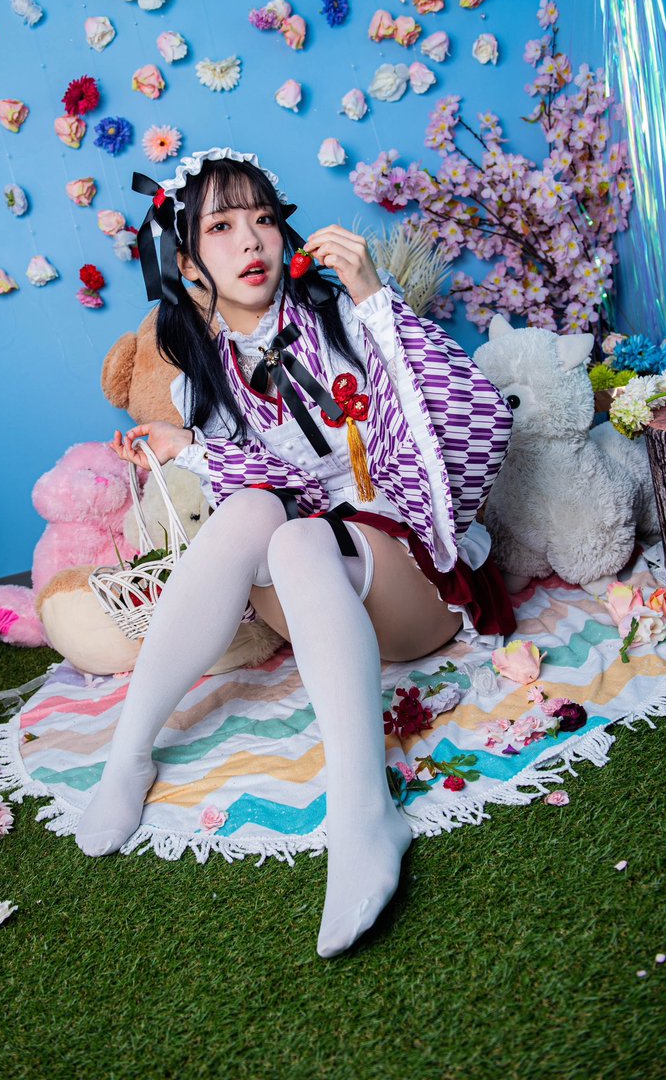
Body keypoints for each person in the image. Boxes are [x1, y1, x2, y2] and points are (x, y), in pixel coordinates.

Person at [75, 147, 515, 959]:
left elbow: (478, 419)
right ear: (187, 261)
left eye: (264, 219)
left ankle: (363, 813)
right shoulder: (206, 377)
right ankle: (128, 756)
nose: (251, 240)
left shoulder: (347, 315)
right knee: (253, 514)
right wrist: (187, 447)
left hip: (414, 580)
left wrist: (376, 298)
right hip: (321, 593)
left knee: (301, 533)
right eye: (221, 226)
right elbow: (279, 482)